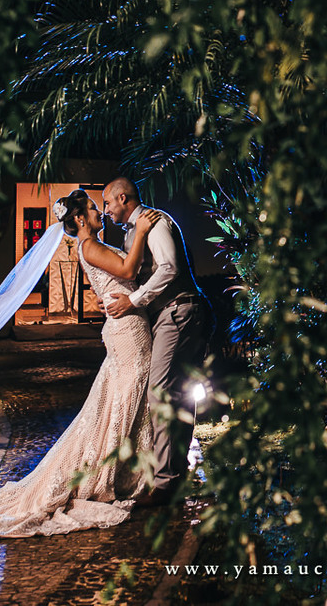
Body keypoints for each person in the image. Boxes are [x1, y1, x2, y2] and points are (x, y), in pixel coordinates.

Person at [0, 190, 159, 537]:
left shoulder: (91, 247)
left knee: (121, 402)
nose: (99, 211)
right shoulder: (89, 246)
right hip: (127, 332)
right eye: (92, 208)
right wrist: (143, 231)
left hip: (126, 326)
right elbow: (129, 268)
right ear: (81, 219)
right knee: (125, 401)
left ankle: (131, 472)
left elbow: (124, 276)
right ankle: (118, 476)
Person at [101, 177, 214, 507]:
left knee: (160, 392)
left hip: (178, 310)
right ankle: (176, 473)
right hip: (172, 311)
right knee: (176, 392)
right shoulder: (132, 231)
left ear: (123, 198)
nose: (106, 210)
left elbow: (168, 268)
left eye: (108, 203)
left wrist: (133, 301)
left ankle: (165, 482)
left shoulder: (156, 222)